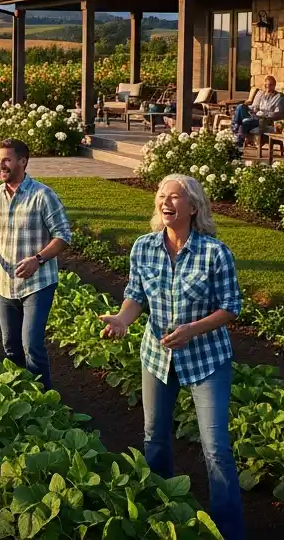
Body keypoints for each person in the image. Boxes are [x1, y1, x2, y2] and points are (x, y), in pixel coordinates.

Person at [98, 175, 244, 539]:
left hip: (206, 359)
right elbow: (136, 294)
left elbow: (230, 307)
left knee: (216, 448)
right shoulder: (144, 247)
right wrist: (122, 320)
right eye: (162, 196)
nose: (166, 202)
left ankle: (228, 530)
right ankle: (161, 516)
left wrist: (192, 329)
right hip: (157, 357)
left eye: (175, 197)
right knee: (155, 438)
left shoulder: (215, 253)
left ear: (193, 207)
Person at [0, 138, 71, 390]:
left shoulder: (42, 195)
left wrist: (38, 259)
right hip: (5, 285)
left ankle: (44, 400)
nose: (0, 165)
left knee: (32, 345)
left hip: (38, 283)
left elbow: (63, 236)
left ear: (23, 161)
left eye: (6, 159)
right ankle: (20, 394)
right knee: (11, 346)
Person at [230, 75, 284, 140]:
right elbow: (255, 107)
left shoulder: (279, 97)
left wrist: (263, 114)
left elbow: (279, 114)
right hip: (254, 116)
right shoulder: (262, 94)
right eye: (266, 85)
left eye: (270, 85)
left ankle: (236, 135)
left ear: (274, 85)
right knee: (241, 107)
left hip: (265, 120)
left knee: (244, 122)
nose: (267, 86)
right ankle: (236, 128)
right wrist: (248, 109)